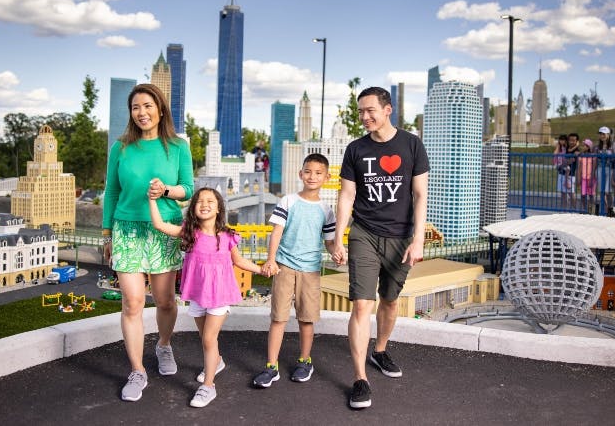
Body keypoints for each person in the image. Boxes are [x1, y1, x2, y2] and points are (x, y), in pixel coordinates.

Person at [333, 86, 429, 410]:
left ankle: (380, 350)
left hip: (401, 238)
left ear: (388, 109)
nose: (364, 117)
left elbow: (419, 196)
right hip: (365, 233)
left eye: (370, 110)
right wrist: (339, 237)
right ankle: (360, 379)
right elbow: (346, 196)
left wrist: (418, 240)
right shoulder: (355, 149)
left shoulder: (412, 144)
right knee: (362, 305)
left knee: (389, 300)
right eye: (360, 111)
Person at [102, 83, 195, 402]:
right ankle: (137, 370)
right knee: (132, 302)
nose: (141, 113)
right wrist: (107, 233)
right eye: (135, 107)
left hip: (164, 229)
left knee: (166, 301)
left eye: (147, 106)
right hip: (126, 230)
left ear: (161, 109)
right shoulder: (121, 147)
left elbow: (189, 189)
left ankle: (164, 345)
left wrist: (166, 190)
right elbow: (111, 192)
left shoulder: (178, 146)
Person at [148, 186, 263, 407]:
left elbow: (239, 261)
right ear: (193, 209)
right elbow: (159, 225)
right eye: (199, 201)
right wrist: (153, 199)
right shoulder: (190, 232)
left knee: (209, 339)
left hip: (220, 295)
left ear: (219, 208)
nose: (204, 204)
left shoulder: (228, 236)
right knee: (205, 339)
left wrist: (261, 270)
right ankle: (217, 362)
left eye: (210, 201)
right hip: (199, 295)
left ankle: (208, 386)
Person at [252, 153, 338, 388]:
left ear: (327, 177)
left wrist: (336, 252)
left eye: (319, 173)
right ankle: (271, 366)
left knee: (306, 319)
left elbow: (329, 242)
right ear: (301, 174)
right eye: (308, 171)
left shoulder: (326, 210)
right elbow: (276, 232)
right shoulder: (288, 201)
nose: (312, 176)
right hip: (284, 266)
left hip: (310, 271)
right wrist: (271, 260)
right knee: (278, 317)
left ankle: (305, 361)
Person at [594, 127, 615, 211]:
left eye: (604, 134)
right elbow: (595, 159)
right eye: (601, 134)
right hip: (600, 169)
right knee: (601, 192)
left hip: (610, 169)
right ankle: (604, 210)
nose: (602, 135)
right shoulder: (597, 147)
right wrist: (593, 172)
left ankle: (610, 209)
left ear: (608, 135)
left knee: (608, 191)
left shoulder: (614, 145)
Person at [561, 133, 581, 210]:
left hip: (571, 175)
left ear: (577, 141)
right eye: (570, 140)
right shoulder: (566, 149)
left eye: (574, 140)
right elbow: (566, 160)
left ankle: (574, 209)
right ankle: (564, 210)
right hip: (563, 173)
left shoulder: (577, 151)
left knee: (571, 193)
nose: (571, 142)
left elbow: (570, 161)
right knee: (563, 193)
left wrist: (567, 161)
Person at [578, 139, 596, 214]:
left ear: (589, 147)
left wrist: (592, 178)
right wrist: (579, 178)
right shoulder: (581, 155)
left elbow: (594, 168)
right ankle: (585, 209)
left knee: (591, 195)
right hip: (583, 178)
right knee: (583, 195)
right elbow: (579, 167)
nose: (583, 147)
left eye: (584, 145)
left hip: (591, 178)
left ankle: (592, 211)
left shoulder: (593, 156)